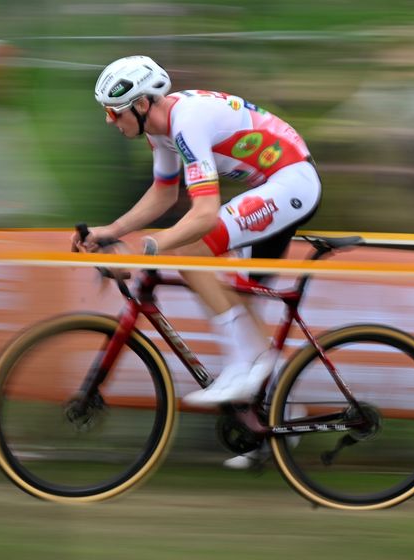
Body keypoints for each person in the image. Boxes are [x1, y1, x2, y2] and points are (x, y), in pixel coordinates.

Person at [75, 55, 321, 410]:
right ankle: (277, 412)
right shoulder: (162, 130)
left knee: (189, 250)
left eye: (115, 111)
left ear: (142, 104)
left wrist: (150, 247)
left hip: (291, 182)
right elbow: (164, 192)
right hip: (273, 185)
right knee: (241, 303)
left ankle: (243, 369)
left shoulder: (187, 123)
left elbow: (204, 215)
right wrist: (111, 231)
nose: (109, 120)